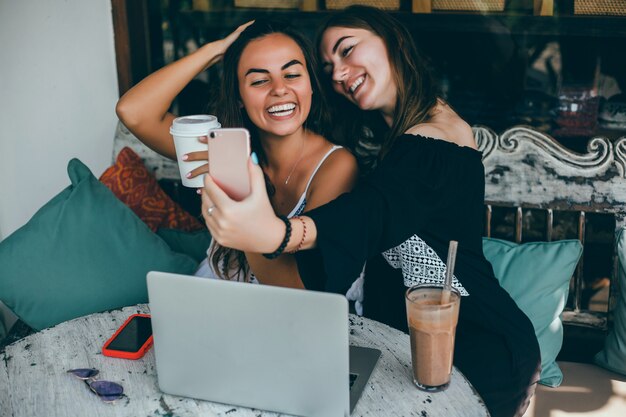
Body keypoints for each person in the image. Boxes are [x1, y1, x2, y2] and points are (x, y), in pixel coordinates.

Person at [200, 6, 541, 417]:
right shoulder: (387, 130)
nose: (340, 73)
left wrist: (278, 235)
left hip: (474, 345)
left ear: (392, 40)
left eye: (347, 50)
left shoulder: (435, 137)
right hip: (397, 344)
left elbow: (374, 211)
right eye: (328, 68)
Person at [116, 20, 358, 287]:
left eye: (291, 75)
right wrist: (214, 52)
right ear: (239, 96)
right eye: (259, 80)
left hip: (288, 313)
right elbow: (134, 112)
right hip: (217, 294)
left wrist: (240, 212)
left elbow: (298, 287)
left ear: (311, 84)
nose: (279, 89)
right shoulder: (222, 151)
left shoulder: (337, 165)